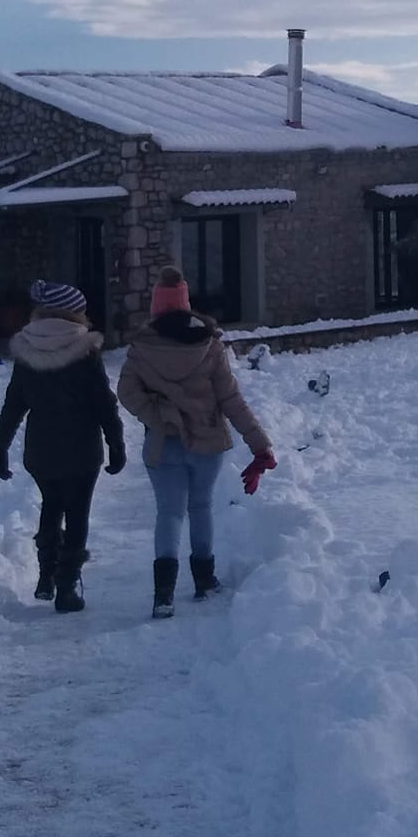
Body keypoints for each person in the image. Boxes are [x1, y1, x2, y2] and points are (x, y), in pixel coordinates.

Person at [117, 265, 275, 619]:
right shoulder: (210, 345)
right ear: (186, 304)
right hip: (207, 441)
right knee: (201, 507)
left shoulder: (142, 347)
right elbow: (231, 399)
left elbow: (126, 392)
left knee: (169, 513)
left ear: (156, 306)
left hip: (163, 443)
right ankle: (204, 580)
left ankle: (163, 595)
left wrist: (157, 415)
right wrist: (259, 443)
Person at [0, 280, 126, 614]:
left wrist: (0, 446)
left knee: (51, 504)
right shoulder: (86, 350)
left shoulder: (26, 349)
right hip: (82, 447)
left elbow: (14, 404)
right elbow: (103, 402)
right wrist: (115, 442)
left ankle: (45, 575)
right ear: (75, 313)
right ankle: (67, 587)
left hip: (41, 447)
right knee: (77, 513)